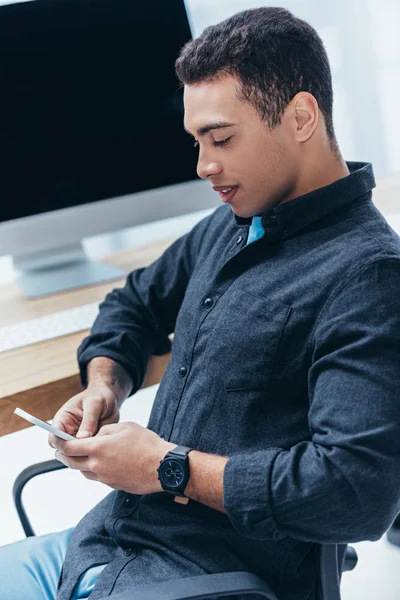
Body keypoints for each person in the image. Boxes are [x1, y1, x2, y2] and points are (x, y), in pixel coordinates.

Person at [2, 6, 400, 600]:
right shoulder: (232, 225)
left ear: (300, 116)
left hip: (208, 578)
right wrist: (104, 386)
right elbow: (133, 303)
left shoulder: (368, 277)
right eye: (196, 140)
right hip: (106, 544)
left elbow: (353, 493)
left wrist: (167, 467)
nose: (203, 166)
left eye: (221, 139)